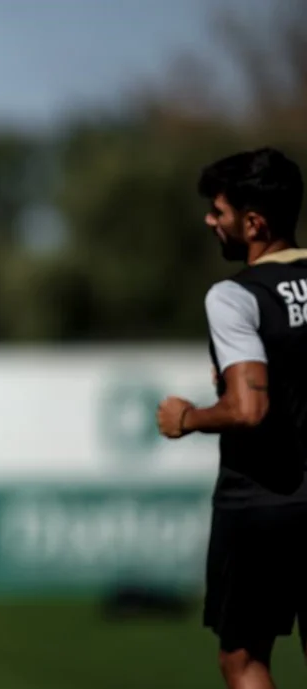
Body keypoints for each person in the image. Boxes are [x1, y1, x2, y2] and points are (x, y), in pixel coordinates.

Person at [156, 147, 307, 689]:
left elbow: (249, 407)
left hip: (263, 504)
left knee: (243, 660)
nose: (209, 221)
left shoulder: (235, 297)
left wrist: (188, 418)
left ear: (254, 222)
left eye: (218, 211)